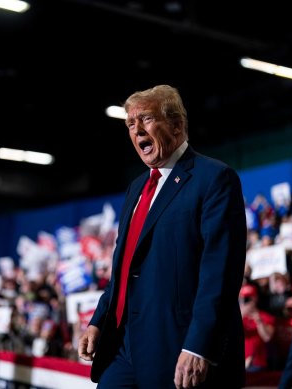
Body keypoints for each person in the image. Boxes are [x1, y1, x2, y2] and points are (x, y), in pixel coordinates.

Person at [77, 84, 247, 388]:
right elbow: (123, 268)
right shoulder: (136, 189)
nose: (137, 129)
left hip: (176, 344)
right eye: (130, 123)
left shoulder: (214, 179)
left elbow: (220, 274)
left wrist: (198, 345)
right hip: (123, 346)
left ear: (177, 125)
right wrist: (99, 321)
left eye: (146, 119)